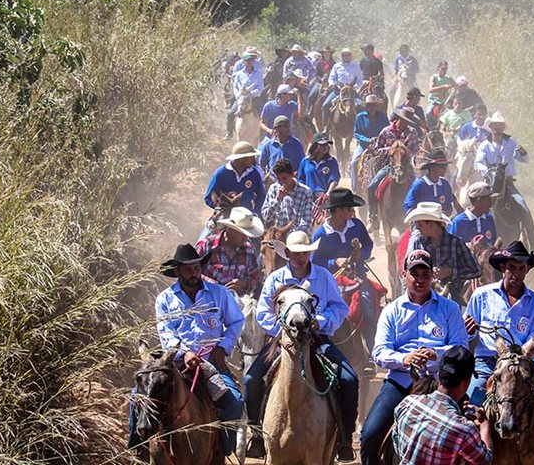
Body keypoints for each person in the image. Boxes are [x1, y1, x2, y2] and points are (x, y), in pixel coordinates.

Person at [244, 231, 359, 461]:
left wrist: (321, 322)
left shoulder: (324, 277)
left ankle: (345, 439)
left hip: (318, 340)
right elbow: (264, 313)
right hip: (281, 341)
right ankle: (257, 436)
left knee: (349, 379)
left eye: (305, 252)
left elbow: (339, 308)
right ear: (287, 253)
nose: (300, 257)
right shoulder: (275, 279)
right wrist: (283, 332)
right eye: (296, 253)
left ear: (310, 252)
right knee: (251, 379)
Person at [361, 250, 469, 465]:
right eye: (415, 274)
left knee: (475, 427)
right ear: (404, 275)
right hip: (401, 381)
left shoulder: (450, 308)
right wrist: (405, 359)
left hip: (443, 384)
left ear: (432, 276)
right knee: (369, 435)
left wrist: (436, 354)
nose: (420, 279)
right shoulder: (391, 311)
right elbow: (379, 352)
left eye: (425, 274)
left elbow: (461, 347)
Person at [136, 244, 244, 456]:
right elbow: (166, 333)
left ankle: (220, 451)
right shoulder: (165, 299)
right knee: (139, 397)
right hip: (174, 362)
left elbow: (237, 321)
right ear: (177, 271)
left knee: (234, 402)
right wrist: (183, 353)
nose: (194, 273)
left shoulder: (219, 294)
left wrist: (223, 347)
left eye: (196, 267)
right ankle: (137, 449)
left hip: (211, 361)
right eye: (188, 269)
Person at [463, 242, 534, 465]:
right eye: (511, 268)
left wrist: (519, 354)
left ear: (527, 270)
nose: (516, 273)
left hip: (522, 370)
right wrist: (468, 333)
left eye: (521, 268)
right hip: (487, 365)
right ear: (502, 268)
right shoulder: (481, 296)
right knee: (467, 411)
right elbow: (467, 337)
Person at [393, 346, 493, 465]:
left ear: (439, 374)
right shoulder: (464, 430)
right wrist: (484, 424)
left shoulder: (407, 403)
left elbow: (397, 443)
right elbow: (485, 460)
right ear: (466, 383)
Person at [311, 188, 378, 348]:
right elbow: (315, 262)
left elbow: (368, 245)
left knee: (368, 309)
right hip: (330, 281)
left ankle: (371, 350)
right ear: (338, 210)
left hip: (357, 276)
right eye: (349, 208)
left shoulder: (357, 226)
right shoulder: (321, 234)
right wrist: (334, 262)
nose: (352, 211)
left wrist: (359, 255)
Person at [474, 111, 534, 253]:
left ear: (503, 127)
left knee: (523, 207)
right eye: (495, 125)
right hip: (490, 184)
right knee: (474, 204)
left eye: (500, 125)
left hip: (508, 184)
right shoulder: (484, 145)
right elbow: (478, 163)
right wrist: (489, 172)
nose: (497, 128)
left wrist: (523, 153)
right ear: (490, 126)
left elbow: (525, 159)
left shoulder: (511, 143)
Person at [404, 202, 481, 307]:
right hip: (422, 297)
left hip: (452, 298)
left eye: (420, 225)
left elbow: (476, 270)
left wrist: (451, 272)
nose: (418, 228)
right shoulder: (417, 242)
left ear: (431, 225)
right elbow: (407, 270)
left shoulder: (456, 243)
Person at [365, 108, 421, 229]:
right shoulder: (386, 131)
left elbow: (416, 150)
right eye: (405, 120)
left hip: (406, 166)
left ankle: (417, 218)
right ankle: (373, 216)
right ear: (399, 118)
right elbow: (377, 148)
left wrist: (405, 152)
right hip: (389, 165)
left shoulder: (412, 132)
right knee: (371, 186)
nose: (406, 123)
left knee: (419, 186)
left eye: (408, 121)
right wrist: (391, 150)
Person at [195, 206, 263, 295]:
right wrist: (208, 281)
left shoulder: (249, 250)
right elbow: (190, 271)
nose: (245, 237)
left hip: (237, 301)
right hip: (208, 298)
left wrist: (244, 283)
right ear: (229, 229)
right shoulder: (206, 246)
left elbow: (254, 278)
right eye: (241, 233)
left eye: (246, 234)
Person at [204, 141, 265, 215]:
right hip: (225, 216)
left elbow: (261, 195)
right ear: (241, 159)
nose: (253, 159)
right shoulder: (221, 173)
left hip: (246, 216)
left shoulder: (254, 173)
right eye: (251, 157)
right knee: (209, 226)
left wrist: (256, 212)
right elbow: (209, 197)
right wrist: (221, 208)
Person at [260, 158, 313, 235]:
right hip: (276, 236)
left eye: (284, 178)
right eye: (278, 179)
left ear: (292, 174)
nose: (281, 182)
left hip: (296, 237)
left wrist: (294, 236)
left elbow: (307, 222)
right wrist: (278, 199)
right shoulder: (274, 189)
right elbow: (266, 217)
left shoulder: (305, 192)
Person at [403, 149, 461, 216]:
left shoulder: (445, 184)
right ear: (432, 167)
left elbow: (449, 207)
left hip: (441, 224)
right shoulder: (419, 185)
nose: (445, 168)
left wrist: (445, 213)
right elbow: (408, 206)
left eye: (445, 166)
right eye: (441, 166)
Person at [351, 94, 390, 191]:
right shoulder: (360, 117)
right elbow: (356, 134)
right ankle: (355, 189)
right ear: (366, 106)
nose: (372, 107)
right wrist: (368, 140)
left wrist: (380, 139)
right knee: (354, 162)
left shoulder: (383, 116)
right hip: (364, 146)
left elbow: (387, 129)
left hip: (381, 145)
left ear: (377, 106)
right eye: (369, 105)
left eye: (374, 105)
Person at [225, 52, 265, 139]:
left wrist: (252, 94)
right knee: (231, 113)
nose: (249, 63)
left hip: (254, 96)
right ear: (243, 62)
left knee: (263, 113)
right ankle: (229, 132)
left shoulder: (258, 73)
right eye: (247, 61)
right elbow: (235, 86)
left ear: (253, 62)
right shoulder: (239, 74)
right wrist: (238, 95)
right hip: (241, 97)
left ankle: (263, 134)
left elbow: (260, 87)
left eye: (250, 61)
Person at [447, 181, 498, 245]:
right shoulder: (458, 222)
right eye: (488, 200)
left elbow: (494, 243)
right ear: (479, 201)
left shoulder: (489, 219)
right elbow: (450, 245)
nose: (491, 204)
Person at [322, 48, 364, 125]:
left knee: (362, 106)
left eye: (348, 55)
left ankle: (363, 127)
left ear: (351, 56)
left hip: (351, 92)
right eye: (344, 55)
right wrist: (332, 84)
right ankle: (326, 128)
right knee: (325, 105)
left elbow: (360, 81)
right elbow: (331, 78)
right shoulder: (336, 66)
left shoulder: (356, 66)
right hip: (338, 91)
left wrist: (355, 86)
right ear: (341, 56)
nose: (346, 56)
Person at [298, 132, 341, 200]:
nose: (325, 147)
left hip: (325, 197)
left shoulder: (331, 161)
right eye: (322, 145)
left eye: (326, 144)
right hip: (308, 197)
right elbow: (301, 181)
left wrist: (328, 193)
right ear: (315, 146)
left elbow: (334, 179)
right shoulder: (305, 161)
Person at [427, 60, 455, 128]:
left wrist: (452, 93)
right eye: (442, 68)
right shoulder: (434, 77)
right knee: (428, 113)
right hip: (434, 101)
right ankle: (430, 128)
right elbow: (430, 90)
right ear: (438, 68)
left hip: (446, 101)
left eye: (446, 69)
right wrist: (442, 87)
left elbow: (456, 87)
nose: (444, 71)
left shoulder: (449, 78)